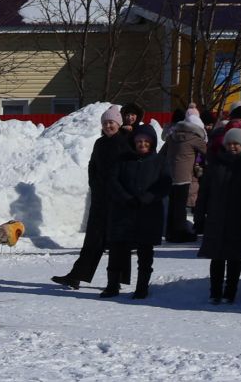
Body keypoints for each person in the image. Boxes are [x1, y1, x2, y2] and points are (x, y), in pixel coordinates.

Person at [53, 106, 129, 289]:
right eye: (105, 123)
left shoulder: (125, 143)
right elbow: (92, 165)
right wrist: (94, 184)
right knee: (93, 240)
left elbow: (129, 170)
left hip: (118, 200)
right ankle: (76, 276)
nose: (108, 126)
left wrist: (122, 192)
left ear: (118, 124)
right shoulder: (99, 143)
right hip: (100, 198)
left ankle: (117, 280)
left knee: (118, 242)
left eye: (111, 122)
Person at [102, 123, 167, 299]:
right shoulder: (122, 159)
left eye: (146, 141)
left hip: (148, 213)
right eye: (139, 140)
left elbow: (164, 184)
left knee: (145, 254)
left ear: (152, 143)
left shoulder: (159, 161)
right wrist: (126, 198)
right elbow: (112, 181)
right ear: (133, 141)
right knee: (116, 251)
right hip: (123, 211)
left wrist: (146, 198)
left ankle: (142, 287)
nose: (142, 144)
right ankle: (112, 285)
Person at [199, 126, 241, 303]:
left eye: (237, 144)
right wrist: (200, 214)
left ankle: (230, 292)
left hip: (238, 218)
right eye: (229, 143)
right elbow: (204, 191)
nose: (232, 147)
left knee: (234, 258)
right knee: (217, 257)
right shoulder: (216, 164)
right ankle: (215, 292)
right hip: (217, 216)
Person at [161, 107, 205, 242]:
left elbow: (161, 153)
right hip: (184, 176)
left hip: (170, 175)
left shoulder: (172, 136)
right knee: (180, 206)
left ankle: (169, 232)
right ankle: (179, 233)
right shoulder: (194, 138)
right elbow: (207, 151)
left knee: (173, 204)